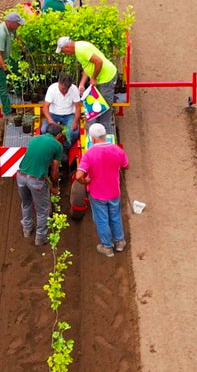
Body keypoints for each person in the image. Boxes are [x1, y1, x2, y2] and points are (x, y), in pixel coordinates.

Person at [74, 123, 128, 257]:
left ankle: (107, 247)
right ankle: (120, 242)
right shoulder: (117, 150)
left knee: (101, 220)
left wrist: (85, 181)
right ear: (105, 135)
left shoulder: (89, 154)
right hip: (114, 191)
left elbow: (78, 176)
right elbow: (126, 166)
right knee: (115, 216)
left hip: (97, 194)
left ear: (92, 138)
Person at [55, 36, 117, 131]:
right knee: (98, 108)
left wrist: (93, 78)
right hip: (101, 79)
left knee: (104, 111)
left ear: (67, 47)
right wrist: (82, 84)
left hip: (106, 79)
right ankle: (96, 131)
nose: (66, 54)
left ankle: (105, 136)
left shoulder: (81, 50)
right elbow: (87, 67)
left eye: (64, 51)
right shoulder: (79, 48)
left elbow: (98, 61)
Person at [17, 123, 64, 246]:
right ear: (58, 135)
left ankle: (26, 230)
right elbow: (54, 169)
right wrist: (55, 186)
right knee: (42, 210)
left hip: (21, 176)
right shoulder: (57, 145)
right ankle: (40, 238)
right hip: (36, 180)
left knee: (26, 203)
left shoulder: (35, 139)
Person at [0, 11, 26, 116]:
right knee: (2, 86)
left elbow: (17, 38)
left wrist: (22, 48)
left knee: (17, 72)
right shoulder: (1, 33)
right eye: (18, 24)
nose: (19, 26)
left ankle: (18, 92)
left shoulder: (12, 29)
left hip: (6, 57)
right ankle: (7, 110)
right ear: (10, 23)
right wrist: (4, 68)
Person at [41, 74, 81, 149]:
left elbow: (78, 107)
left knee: (74, 133)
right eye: (62, 88)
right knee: (44, 130)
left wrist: (75, 121)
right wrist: (50, 120)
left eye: (67, 89)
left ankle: (66, 147)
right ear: (59, 83)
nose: (64, 91)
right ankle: (51, 146)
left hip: (69, 115)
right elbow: (45, 107)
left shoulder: (74, 89)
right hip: (53, 114)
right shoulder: (52, 89)